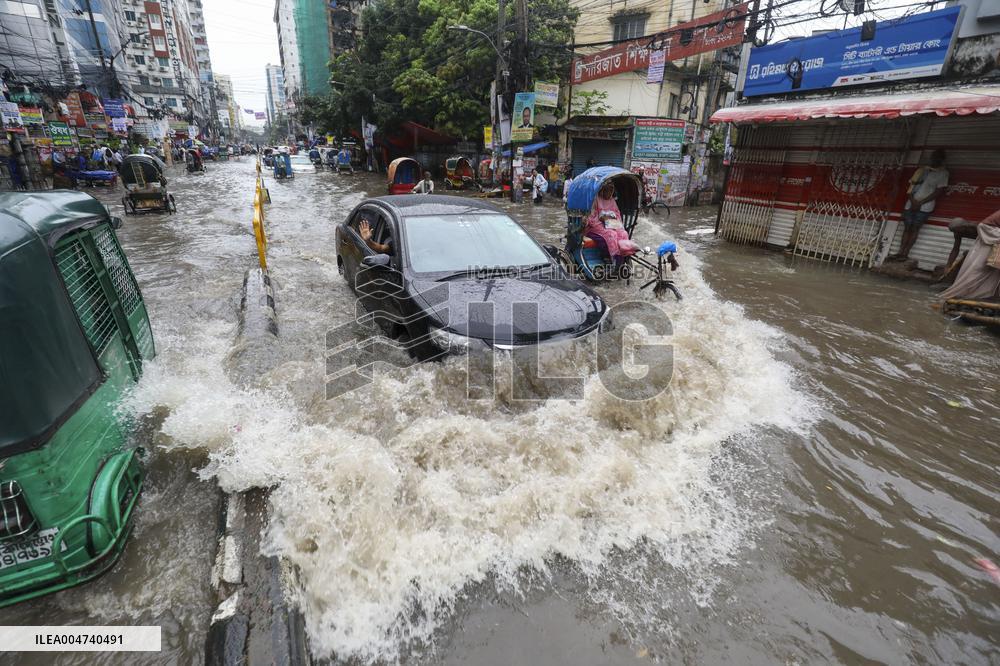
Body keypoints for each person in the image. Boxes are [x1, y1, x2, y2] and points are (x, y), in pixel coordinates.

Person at [891, 149, 949, 261]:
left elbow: (938, 191)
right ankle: (900, 252)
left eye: (937, 157)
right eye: (933, 156)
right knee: (907, 228)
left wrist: (920, 203)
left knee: (915, 228)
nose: (934, 159)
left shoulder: (943, 173)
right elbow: (910, 187)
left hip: (925, 207)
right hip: (911, 204)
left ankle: (905, 254)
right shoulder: (921, 170)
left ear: (942, 160)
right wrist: (913, 201)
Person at [939, 208, 1000, 302]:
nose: (957, 232)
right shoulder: (958, 231)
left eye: (958, 230)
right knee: (971, 269)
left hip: (988, 247)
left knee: (980, 268)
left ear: (964, 227)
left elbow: (988, 235)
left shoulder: (975, 227)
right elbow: (955, 248)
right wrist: (948, 266)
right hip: (979, 249)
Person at [585, 182, 636, 265]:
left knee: (623, 233)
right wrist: (603, 221)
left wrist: (615, 221)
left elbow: (617, 213)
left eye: (611, 191)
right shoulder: (596, 200)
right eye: (607, 190)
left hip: (612, 224)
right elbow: (591, 217)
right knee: (611, 234)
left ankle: (624, 255)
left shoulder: (612, 200)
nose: (609, 193)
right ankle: (614, 257)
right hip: (598, 226)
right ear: (603, 190)